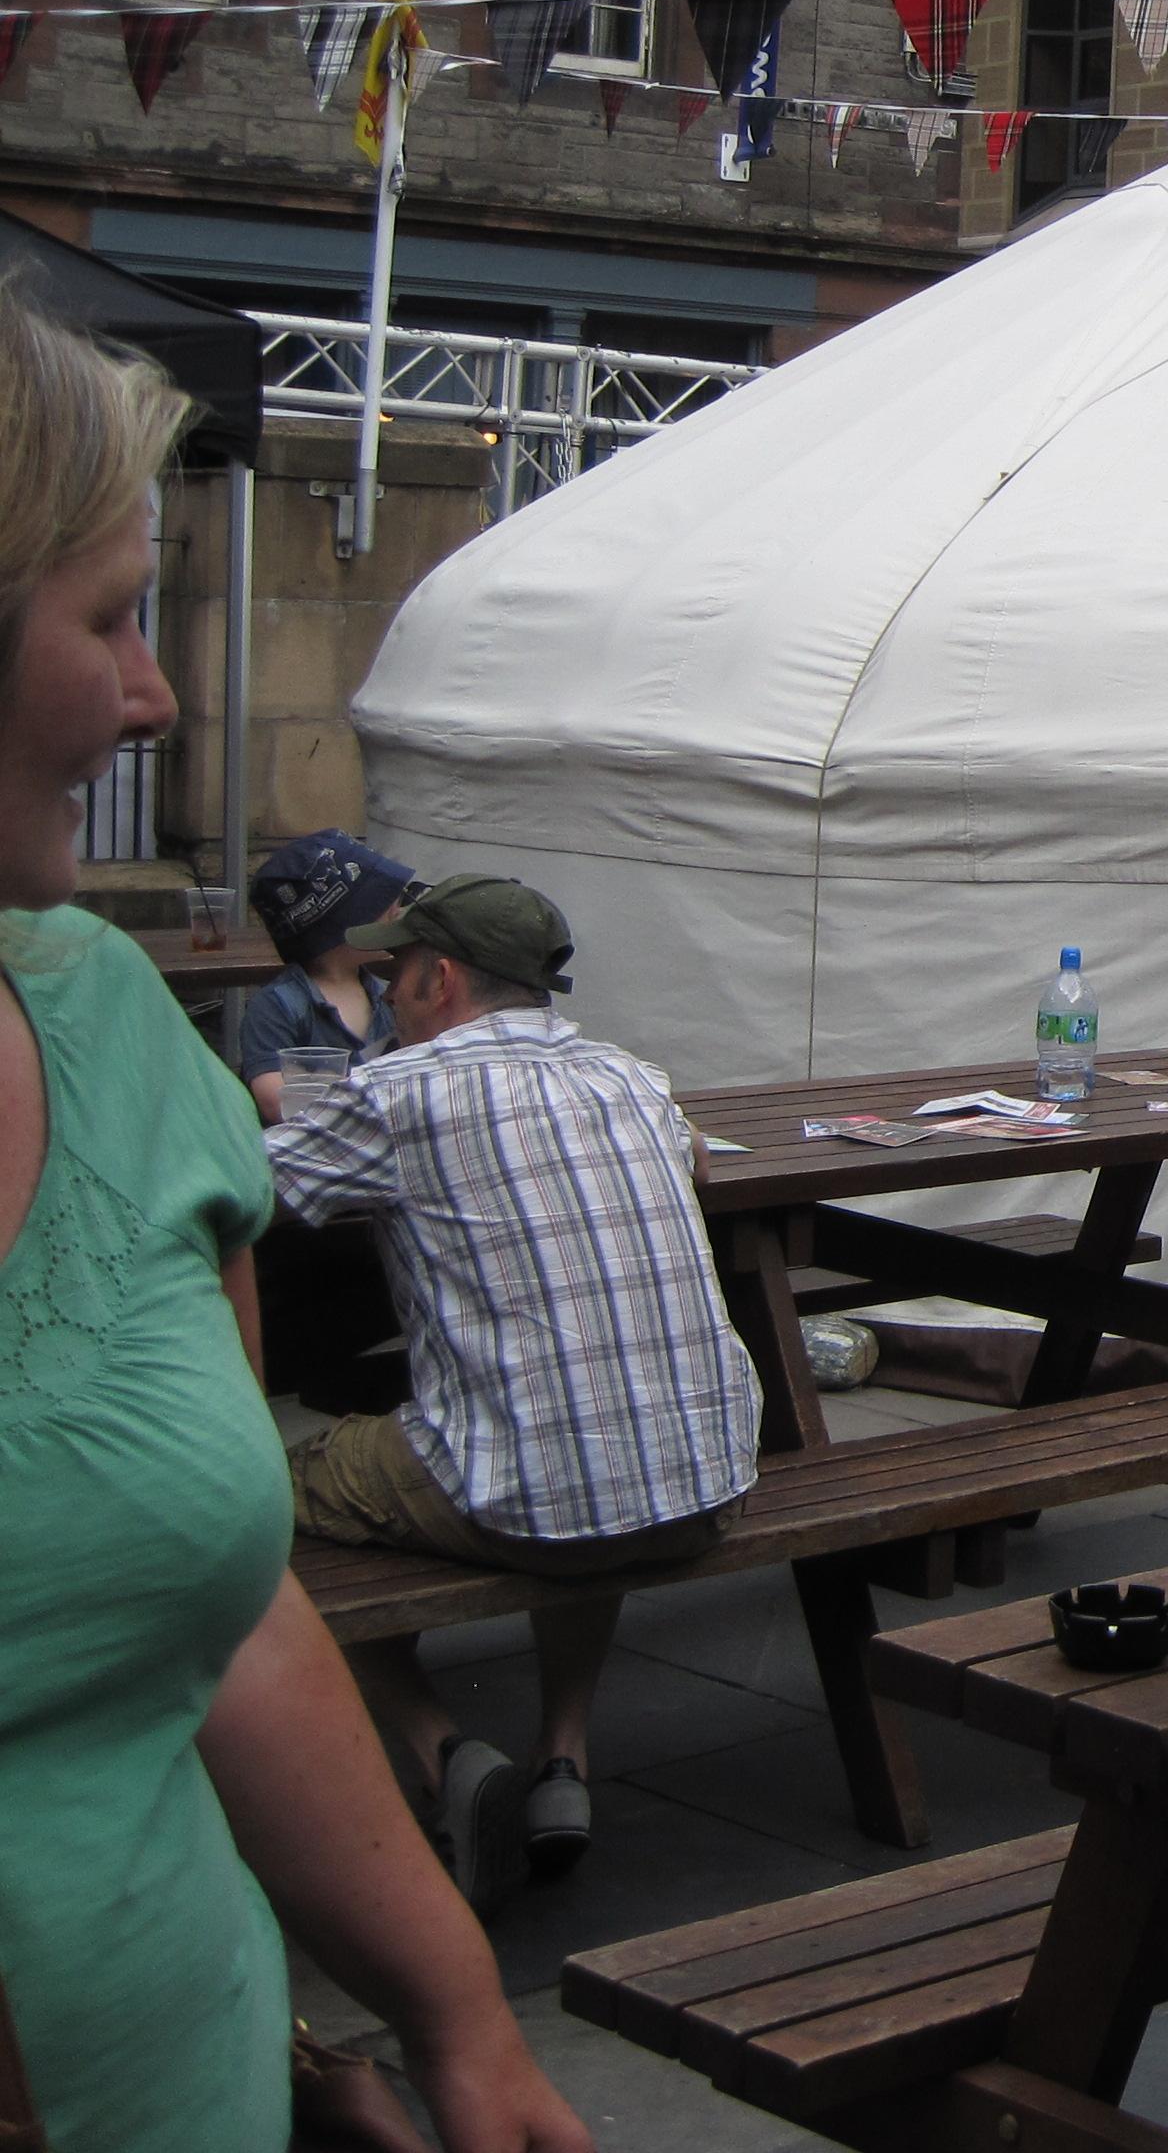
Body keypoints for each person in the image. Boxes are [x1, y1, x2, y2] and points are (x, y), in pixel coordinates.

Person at [0, 304, 586, 2151]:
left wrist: (442, 2024)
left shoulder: (107, 1024)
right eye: (106, 619)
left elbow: (227, 1608)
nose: (155, 697)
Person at [267, 875, 763, 1910]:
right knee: (593, 1412)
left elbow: (242, 1191)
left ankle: (440, 1750)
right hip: (705, 1485)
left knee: (253, 1503)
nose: (388, 991)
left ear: (438, 979)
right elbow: (699, 1165)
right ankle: (561, 1761)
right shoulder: (633, 1078)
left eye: (393, 972)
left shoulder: (396, 1092)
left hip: (530, 1500)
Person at [238, 826, 414, 1120]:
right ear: (339, 926)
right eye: (381, 906)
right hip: (303, 1155)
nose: (396, 911)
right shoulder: (277, 1006)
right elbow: (273, 1100)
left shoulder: (388, 993)